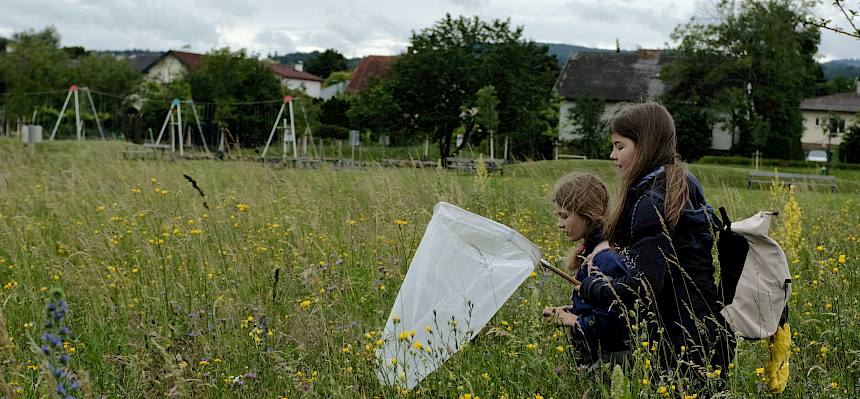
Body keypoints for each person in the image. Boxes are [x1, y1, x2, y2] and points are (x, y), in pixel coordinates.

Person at [576, 102, 735, 380]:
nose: (612, 155)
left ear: (645, 146)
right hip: (709, 331)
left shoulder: (651, 202)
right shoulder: (683, 185)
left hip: (679, 344)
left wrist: (594, 287)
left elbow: (644, 286)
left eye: (620, 146)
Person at [542, 172, 631, 366]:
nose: (559, 224)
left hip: (609, 364)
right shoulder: (591, 253)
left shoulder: (606, 259)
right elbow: (598, 307)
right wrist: (571, 311)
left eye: (564, 216)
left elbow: (611, 325)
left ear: (588, 215)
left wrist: (573, 321)